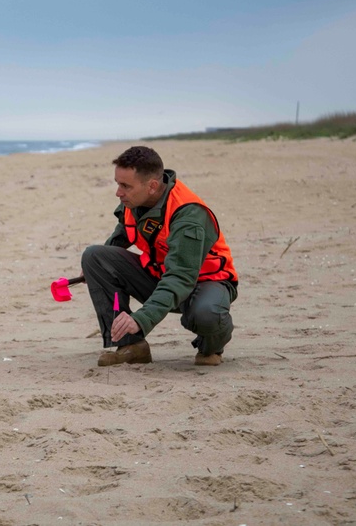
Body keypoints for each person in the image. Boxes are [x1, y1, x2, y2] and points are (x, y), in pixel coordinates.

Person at [81, 146, 238, 367]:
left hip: (205, 282)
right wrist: (92, 270)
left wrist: (141, 319)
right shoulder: (135, 199)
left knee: (206, 314)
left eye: (125, 186)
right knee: (94, 257)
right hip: (161, 275)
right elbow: (123, 232)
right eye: (118, 184)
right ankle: (131, 345)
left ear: (152, 186)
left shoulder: (188, 214)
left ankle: (212, 346)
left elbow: (181, 277)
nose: (118, 192)